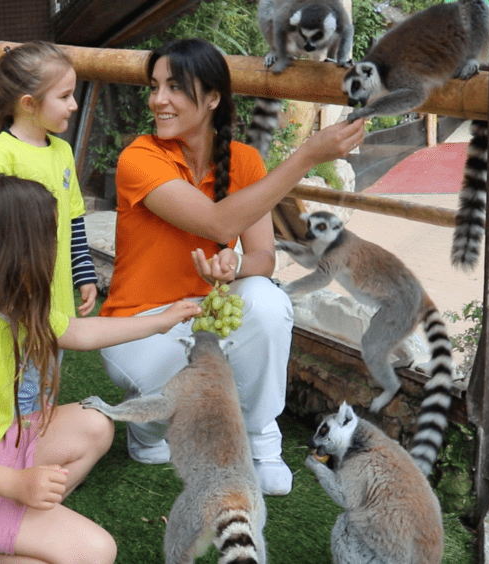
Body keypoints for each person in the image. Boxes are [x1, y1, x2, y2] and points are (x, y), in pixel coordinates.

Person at [0, 174, 202, 564]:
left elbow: (79, 331)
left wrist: (159, 321)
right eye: (49, 238)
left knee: (95, 423)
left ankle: (5, 528)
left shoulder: (5, 307)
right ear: (16, 252)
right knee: (95, 553)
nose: (55, 249)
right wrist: (15, 484)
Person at [99, 37, 365, 496]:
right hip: (137, 327)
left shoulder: (243, 160)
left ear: (213, 98)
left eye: (174, 88)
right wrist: (306, 156)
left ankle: (261, 440)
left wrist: (233, 263)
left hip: (202, 318)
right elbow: (218, 219)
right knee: (168, 381)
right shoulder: (139, 159)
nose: (157, 99)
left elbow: (263, 257)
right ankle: (147, 431)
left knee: (266, 299)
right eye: (155, 86)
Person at [0, 41, 99, 416]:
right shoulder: (1, 154)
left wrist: (85, 273)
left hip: (55, 299)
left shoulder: (61, 151)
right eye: (64, 96)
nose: (74, 104)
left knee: (47, 381)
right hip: (17, 303)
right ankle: (16, 460)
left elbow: (73, 218)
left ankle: (35, 452)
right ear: (28, 103)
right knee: (21, 389)